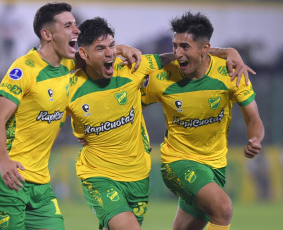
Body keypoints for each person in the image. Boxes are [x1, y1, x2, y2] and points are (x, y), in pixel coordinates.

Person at [67, 17, 251, 230]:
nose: (109, 53)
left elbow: (178, 56)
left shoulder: (134, 68)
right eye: (101, 48)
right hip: (97, 174)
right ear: (84, 53)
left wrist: (227, 52)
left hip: (137, 175)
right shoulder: (69, 88)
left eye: (112, 46)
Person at [0, 3, 143, 229]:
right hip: (7, 176)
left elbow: (97, 52)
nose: (76, 30)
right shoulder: (25, 69)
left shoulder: (69, 65)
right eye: (68, 25)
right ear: (47, 34)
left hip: (40, 181)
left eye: (75, 24)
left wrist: (122, 48)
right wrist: (3, 161)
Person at [141, 11, 264, 230]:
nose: (177, 53)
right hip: (177, 162)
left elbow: (253, 117)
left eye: (185, 47)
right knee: (223, 208)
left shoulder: (231, 73)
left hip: (215, 165)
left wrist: (255, 138)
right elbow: (127, 106)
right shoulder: (162, 78)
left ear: (205, 48)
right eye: (175, 45)